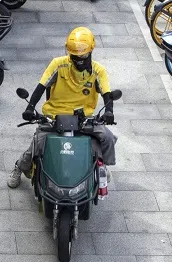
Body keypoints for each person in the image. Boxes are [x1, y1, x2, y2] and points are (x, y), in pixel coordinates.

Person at [7, 27, 116, 188]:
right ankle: (19, 167)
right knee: (37, 144)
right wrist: (30, 108)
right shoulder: (58, 64)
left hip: (84, 119)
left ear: (91, 51)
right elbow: (41, 86)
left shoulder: (98, 71)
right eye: (75, 56)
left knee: (107, 138)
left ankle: (103, 166)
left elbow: (107, 93)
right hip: (54, 117)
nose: (79, 60)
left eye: (83, 56)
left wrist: (109, 111)